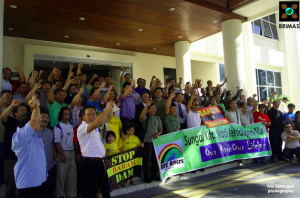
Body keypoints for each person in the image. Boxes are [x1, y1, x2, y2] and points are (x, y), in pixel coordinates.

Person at [12, 96, 46, 198]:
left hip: (37, 181)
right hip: (28, 183)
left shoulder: (34, 135)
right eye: (38, 122)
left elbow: (34, 119)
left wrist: (33, 107)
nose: (39, 123)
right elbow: (34, 119)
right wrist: (36, 106)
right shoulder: (20, 136)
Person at [77, 102, 114, 198]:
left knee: (105, 189)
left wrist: (110, 108)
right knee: (90, 193)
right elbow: (97, 122)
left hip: (99, 162)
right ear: (83, 117)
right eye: (88, 114)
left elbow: (109, 118)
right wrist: (106, 110)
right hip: (89, 163)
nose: (91, 116)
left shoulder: (95, 129)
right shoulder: (82, 128)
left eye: (93, 114)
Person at [0, 100, 27, 198]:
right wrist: (11, 106)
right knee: (11, 184)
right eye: (21, 110)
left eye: (25, 110)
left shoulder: (27, 124)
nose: (24, 112)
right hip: (11, 158)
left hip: (24, 158)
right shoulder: (11, 121)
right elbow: (3, 117)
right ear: (15, 113)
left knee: (24, 184)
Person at [54, 107, 77, 198]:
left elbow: (73, 140)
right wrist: (62, 155)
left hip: (71, 152)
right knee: (61, 176)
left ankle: (71, 194)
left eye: (68, 114)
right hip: (63, 152)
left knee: (72, 176)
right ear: (61, 115)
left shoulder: (71, 126)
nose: (66, 116)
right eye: (65, 114)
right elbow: (57, 142)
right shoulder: (58, 127)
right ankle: (61, 195)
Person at [140, 101, 162, 183]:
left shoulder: (157, 118)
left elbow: (161, 129)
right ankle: (146, 177)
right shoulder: (146, 117)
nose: (154, 110)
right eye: (152, 108)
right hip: (147, 141)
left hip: (155, 142)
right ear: (148, 110)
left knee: (155, 159)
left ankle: (153, 175)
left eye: (155, 108)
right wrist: (146, 106)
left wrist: (158, 133)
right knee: (147, 160)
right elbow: (141, 116)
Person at [37, 111, 57, 198]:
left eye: (47, 118)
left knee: (49, 190)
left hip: (49, 166)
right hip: (36, 167)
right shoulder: (32, 132)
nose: (45, 119)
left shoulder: (51, 132)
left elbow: (53, 147)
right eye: (43, 117)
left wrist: (55, 159)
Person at [267, 92, 285, 162]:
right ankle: (273, 156)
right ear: (273, 104)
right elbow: (268, 104)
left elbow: (281, 122)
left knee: (279, 143)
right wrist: (271, 96)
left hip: (279, 130)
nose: (277, 105)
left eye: (278, 104)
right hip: (272, 129)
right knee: (273, 142)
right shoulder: (270, 111)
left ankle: (280, 156)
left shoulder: (280, 112)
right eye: (275, 104)